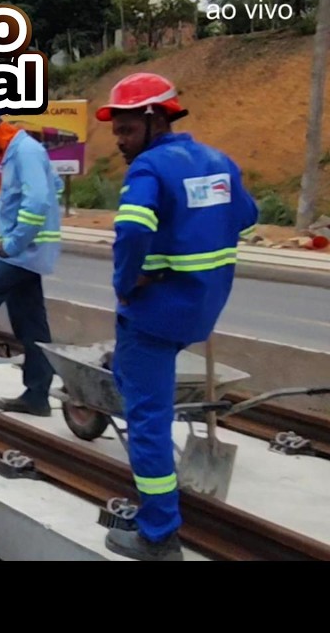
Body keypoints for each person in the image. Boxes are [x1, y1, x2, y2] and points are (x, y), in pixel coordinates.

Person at [96, 72, 258, 562]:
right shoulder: (216, 160)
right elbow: (246, 214)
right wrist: (189, 235)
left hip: (154, 313)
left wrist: (128, 283)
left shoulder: (147, 170)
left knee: (146, 420)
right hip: (202, 309)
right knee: (136, 382)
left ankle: (159, 535)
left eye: (125, 130)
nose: (120, 142)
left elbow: (130, 231)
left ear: (153, 119)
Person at [0, 112, 64, 417]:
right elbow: (53, 186)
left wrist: (15, 240)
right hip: (28, 254)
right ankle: (37, 395)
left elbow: (38, 202)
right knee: (31, 325)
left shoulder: (25, 152)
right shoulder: (23, 151)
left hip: (22, 254)